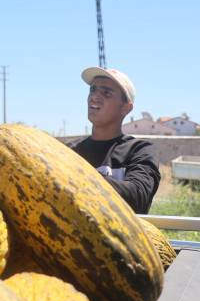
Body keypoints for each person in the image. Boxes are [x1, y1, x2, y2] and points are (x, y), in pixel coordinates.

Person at [69, 66, 161, 214]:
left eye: (106, 93)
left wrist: (81, 177)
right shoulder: (69, 151)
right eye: (93, 90)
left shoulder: (139, 150)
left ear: (126, 108)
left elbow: (139, 198)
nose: (94, 97)